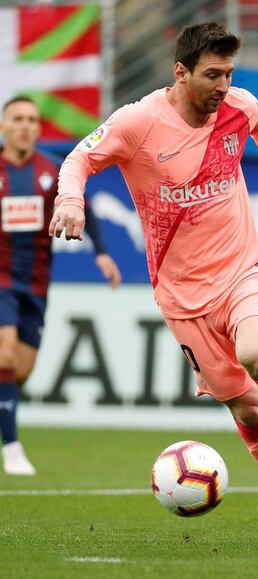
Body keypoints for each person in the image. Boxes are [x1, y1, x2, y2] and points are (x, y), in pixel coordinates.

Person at [49, 22, 258, 547]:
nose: (223, 85)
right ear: (180, 72)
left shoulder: (238, 106)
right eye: (212, 75)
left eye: (229, 73)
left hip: (242, 265)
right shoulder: (138, 122)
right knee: (243, 407)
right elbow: (78, 159)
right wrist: (70, 200)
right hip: (181, 295)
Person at [0, 96, 121, 476]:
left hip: (35, 284)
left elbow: (84, 206)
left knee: (19, 371)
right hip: (0, 281)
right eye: (17, 118)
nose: (25, 125)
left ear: (38, 128)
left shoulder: (52, 172)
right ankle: (13, 449)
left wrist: (101, 252)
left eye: (32, 120)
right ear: (4, 125)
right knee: (3, 358)